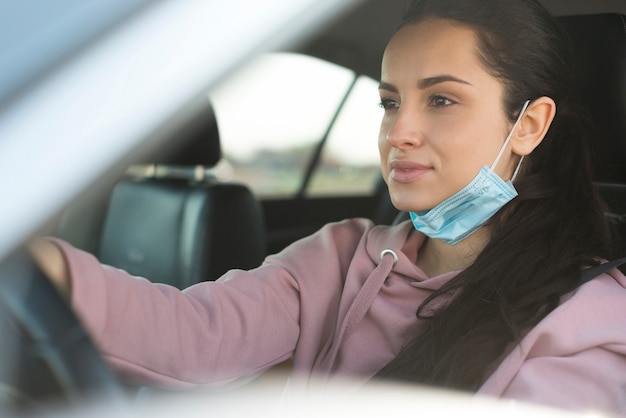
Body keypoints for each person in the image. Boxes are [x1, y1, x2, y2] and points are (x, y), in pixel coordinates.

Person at [30, 0, 626, 414]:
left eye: (441, 100)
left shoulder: (587, 326)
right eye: (390, 102)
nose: (400, 132)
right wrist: (39, 266)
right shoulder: (341, 256)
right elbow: (193, 333)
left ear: (529, 125)